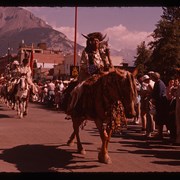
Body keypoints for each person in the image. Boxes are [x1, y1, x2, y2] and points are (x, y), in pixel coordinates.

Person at [151, 72, 169, 140]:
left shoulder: (159, 83)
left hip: (161, 104)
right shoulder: (157, 83)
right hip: (159, 104)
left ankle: (160, 134)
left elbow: (159, 95)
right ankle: (159, 133)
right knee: (158, 119)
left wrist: (154, 99)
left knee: (160, 119)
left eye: (152, 76)